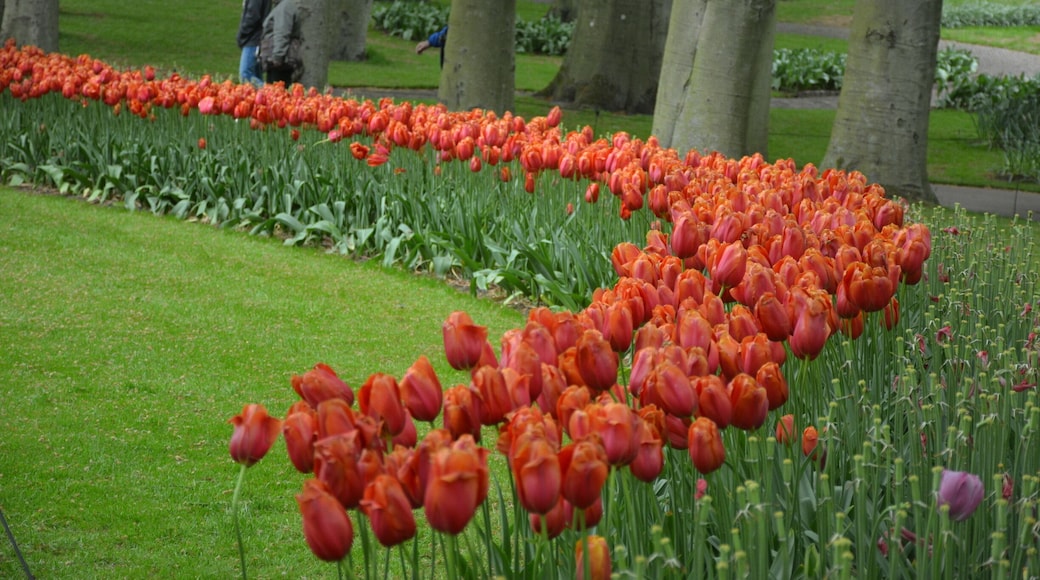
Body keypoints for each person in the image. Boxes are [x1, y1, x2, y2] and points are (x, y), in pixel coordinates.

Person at [260, 0, 303, 85]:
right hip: (279, 60)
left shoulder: (284, 7)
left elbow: (282, 33)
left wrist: (277, 57)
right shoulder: (282, 6)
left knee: (277, 89)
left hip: (281, 62)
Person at [237, 0, 270, 86]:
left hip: (252, 39)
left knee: (245, 74)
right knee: (256, 74)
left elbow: (252, 16)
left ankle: (272, 91)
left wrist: (242, 34)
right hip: (256, 38)